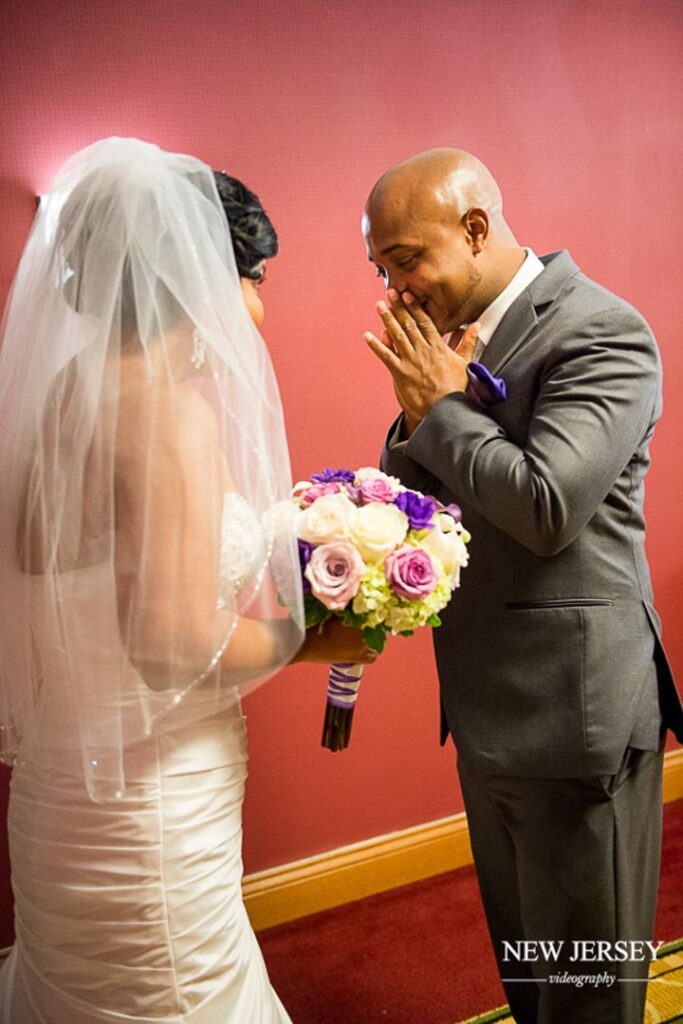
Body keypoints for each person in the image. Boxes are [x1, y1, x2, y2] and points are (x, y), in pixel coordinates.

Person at [0, 137, 374, 1024]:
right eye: (258, 280)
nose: (258, 308)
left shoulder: (59, 396)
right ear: (201, 279)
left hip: (62, 788)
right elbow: (170, 646)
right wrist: (315, 636)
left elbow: (47, 575)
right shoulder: (169, 417)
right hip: (152, 805)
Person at [362, 147, 683, 1024]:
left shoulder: (602, 329)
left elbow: (545, 504)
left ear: (473, 228)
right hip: (485, 704)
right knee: (530, 970)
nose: (395, 288)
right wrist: (411, 418)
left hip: (575, 709)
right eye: (380, 268)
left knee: (587, 986)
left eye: (404, 260)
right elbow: (428, 494)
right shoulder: (456, 340)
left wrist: (441, 408)